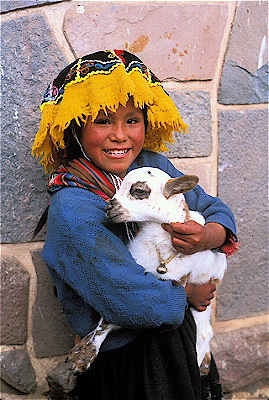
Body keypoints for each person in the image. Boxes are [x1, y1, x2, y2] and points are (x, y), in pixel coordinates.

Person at [32, 50, 238, 400]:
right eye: (102, 121)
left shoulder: (152, 167)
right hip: (126, 356)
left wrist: (208, 236)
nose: (119, 135)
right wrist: (190, 294)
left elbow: (212, 207)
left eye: (132, 120)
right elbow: (125, 295)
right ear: (74, 128)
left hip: (177, 333)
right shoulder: (73, 207)